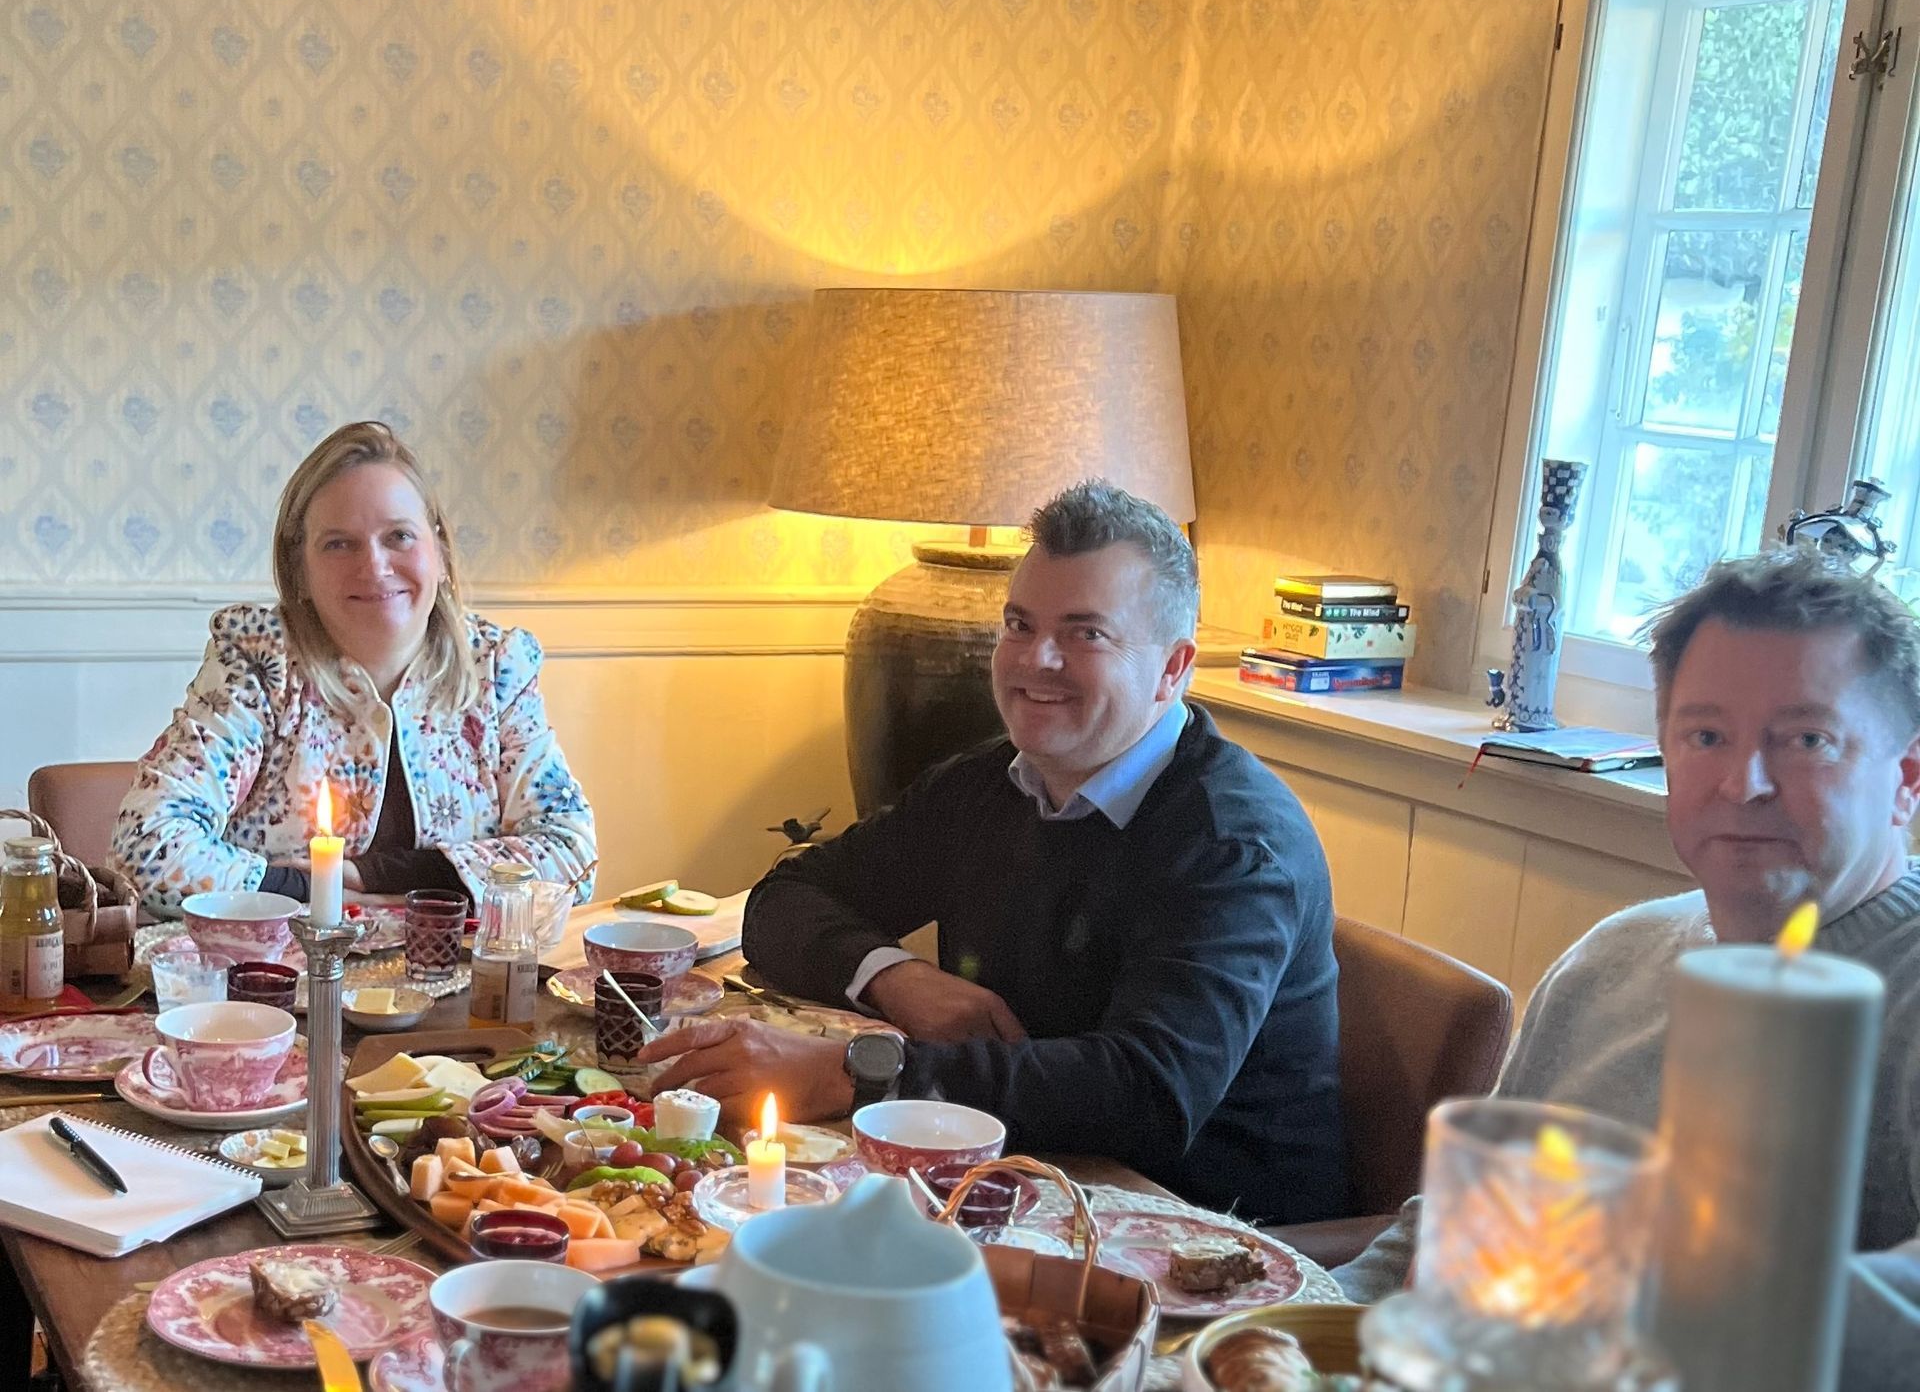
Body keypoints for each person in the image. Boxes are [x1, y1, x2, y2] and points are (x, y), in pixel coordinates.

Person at [639, 480, 1345, 1223]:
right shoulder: (992, 783)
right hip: (1018, 1175)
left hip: (1202, 1238)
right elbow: (784, 901)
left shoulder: (1232, 844)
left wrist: (854, 1072)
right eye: (1019, 623)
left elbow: (1145, 1094)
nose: (1035, 659)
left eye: (1086, 633)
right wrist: (896, 978)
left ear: (1173, 668)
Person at [1335, 548, 1920, 1386]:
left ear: (1906, 777)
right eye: (1707, 734)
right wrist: (1283, 1333)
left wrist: (1634, 1292)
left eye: (1806, 739)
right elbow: (1451, 1235)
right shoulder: (1613, 957)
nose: (1742, 781)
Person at [111, 422, 596, 916]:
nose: (374, 566)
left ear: (441, 551)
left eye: (399, 536)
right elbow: (146, 846)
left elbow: (572, 853)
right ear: (299, 570)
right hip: (279, 977)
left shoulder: (495, 667)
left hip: (458, 980)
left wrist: (374, 877)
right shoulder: (260, 661)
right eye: (339, 544)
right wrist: (305, 892)